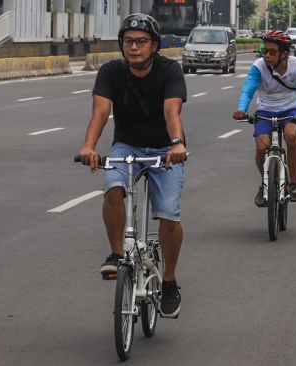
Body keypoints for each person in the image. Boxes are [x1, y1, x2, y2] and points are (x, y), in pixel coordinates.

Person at [78, 13, 187, 319]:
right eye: (128, 41)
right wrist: (89, 147)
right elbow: (100, 113)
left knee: (168, 213)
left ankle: (169, 281)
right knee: (112, 188)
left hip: (166, 149)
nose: (134, 47)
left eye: (141, 42)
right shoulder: (111, 71)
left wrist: (177, 143)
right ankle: (116, 252)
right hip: (126, 146)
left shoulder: (169, 70)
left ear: (154, 45)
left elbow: (171, 111)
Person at [232, 30, 296, 206]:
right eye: (265, 51)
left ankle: (293, 184)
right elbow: (248, 89)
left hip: (292, 108)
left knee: (291, 135)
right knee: (261, 146)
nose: (267, 55)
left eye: (272, 52)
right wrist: (241, 109)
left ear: (284, 54)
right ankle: (265, 184)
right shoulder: (258, 66)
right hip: (265, 110)